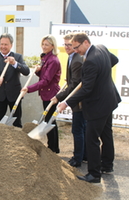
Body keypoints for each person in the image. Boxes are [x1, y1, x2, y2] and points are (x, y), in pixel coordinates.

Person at [57, 33, 121, 183]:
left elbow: (86, 90)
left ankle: (94, 174)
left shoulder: (90, 61)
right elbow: (114, 60)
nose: (75, 50)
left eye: (77, 47)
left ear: (85, 42)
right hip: (109, 100)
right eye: (73, 48)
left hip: (98, 105)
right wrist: (101, 74)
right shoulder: (102, 48)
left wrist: (66, 103)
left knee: (91, 139)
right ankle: (107, 165)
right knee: (106, 134)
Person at [51, 33, 86, 166]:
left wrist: (59, 97)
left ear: (75, 44)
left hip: (79, 100)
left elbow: (74, 86)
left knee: (77, 129)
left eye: (69, 44)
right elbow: (73, 81)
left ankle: (77, 159)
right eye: (65, 44)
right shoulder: (72, 57)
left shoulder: (76, 59)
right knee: (82, 128)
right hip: (77, 97)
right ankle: (84, 155)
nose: (66, 47)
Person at [21, 35, 61, 153]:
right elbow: (44, 76)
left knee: (50, 121)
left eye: (47, 45)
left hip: (51, 94)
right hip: (46, 93)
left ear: (52, 46)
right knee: (49, 119)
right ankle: (53, 146)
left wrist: (29, 88)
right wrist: (38, 71)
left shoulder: (53, 60)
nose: (44, 47)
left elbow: (46, 81)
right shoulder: (46, 58)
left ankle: (53, 148)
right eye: (43, 44)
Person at [0, 33, 30, 128]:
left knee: (16, 121)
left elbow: (26, 71)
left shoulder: (17, 57)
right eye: (1, 44)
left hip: (14, 94)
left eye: (6, 44)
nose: (3, 46)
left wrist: (14, 63)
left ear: (11, 45)